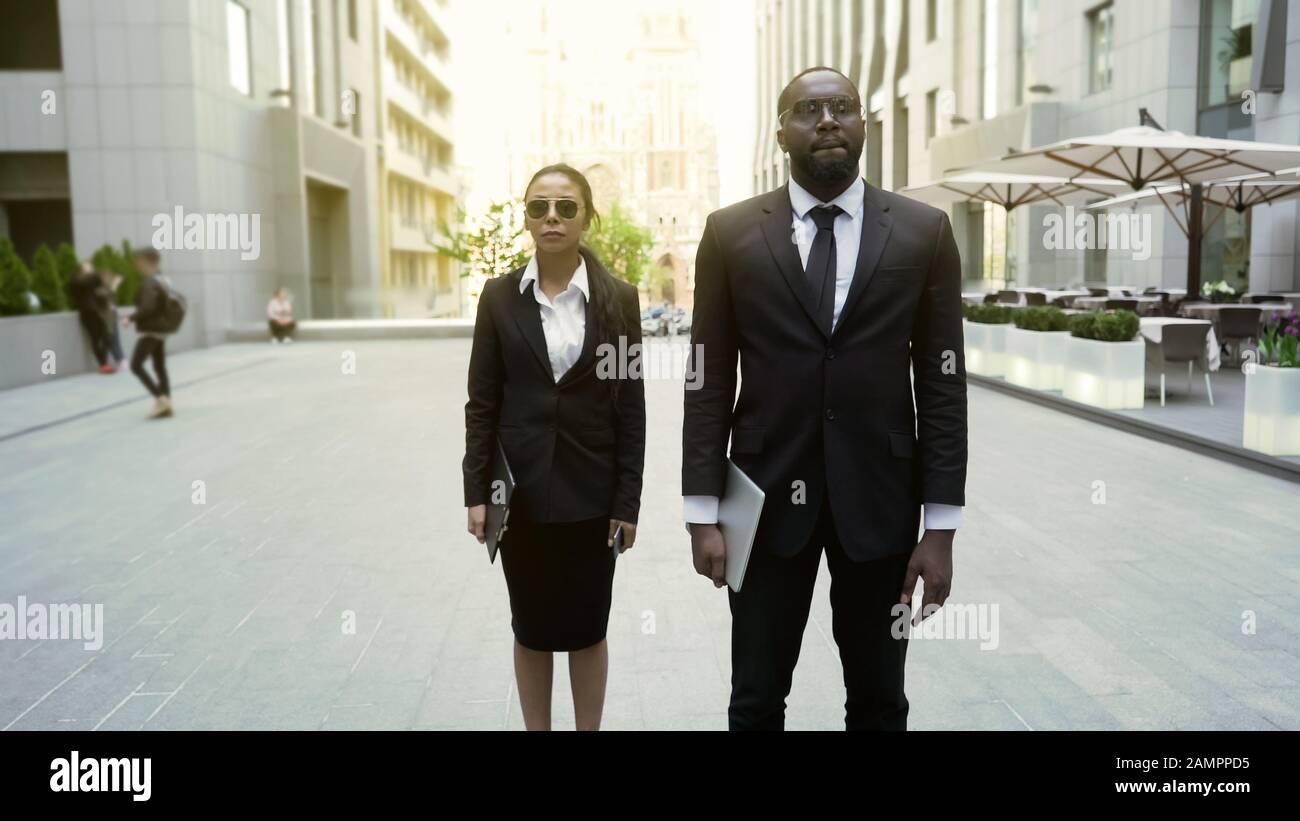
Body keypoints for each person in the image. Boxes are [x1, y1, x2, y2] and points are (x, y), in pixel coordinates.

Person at [682, 67, 967, 731]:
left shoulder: (926, 231)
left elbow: (943, 385)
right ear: (781, 132)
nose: (828, 120)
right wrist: (702, 509)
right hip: (763, 501)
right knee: (755, 700)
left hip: (881, 505)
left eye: (841, 107)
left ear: (863, 124)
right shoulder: (729, 234)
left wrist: (942, 527)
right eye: (808, 109)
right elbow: (707, 376)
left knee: (879, 701)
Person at [463, 164, 646, 731]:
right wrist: (477, 492)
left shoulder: (620, 300)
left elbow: (631, 407)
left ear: (587, 216)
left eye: (566, 207)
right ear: (526, 217)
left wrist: (627, 501)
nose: (552, 218)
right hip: (519, 496)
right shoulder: (498, 298)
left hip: (593, 498)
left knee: (588, 628)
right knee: (532, 627)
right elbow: (482, 403)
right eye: (539, 207)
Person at [125, 248, 175, 418]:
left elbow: (148, 307)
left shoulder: (149, 282)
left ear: (147, 262)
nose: (137, 265)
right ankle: (166, 402)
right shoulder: (163, 280)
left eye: (139, 261)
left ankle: (161, 399)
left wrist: (130, 318)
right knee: (159, 366)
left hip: (151, 330)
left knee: (135, 365)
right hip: (162, 330)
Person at [70, 263, 114, 373]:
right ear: (81, 270)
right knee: (96, 338)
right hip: (87, 312)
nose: (90, 269)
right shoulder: (77, 281)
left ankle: (104, 363)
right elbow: (82, 283)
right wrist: (95, 274)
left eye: (90, 267)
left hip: (97, 312)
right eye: (87, 267)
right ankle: (103, 364)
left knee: (107, 337)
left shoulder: (93, 281)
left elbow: (103, 290)